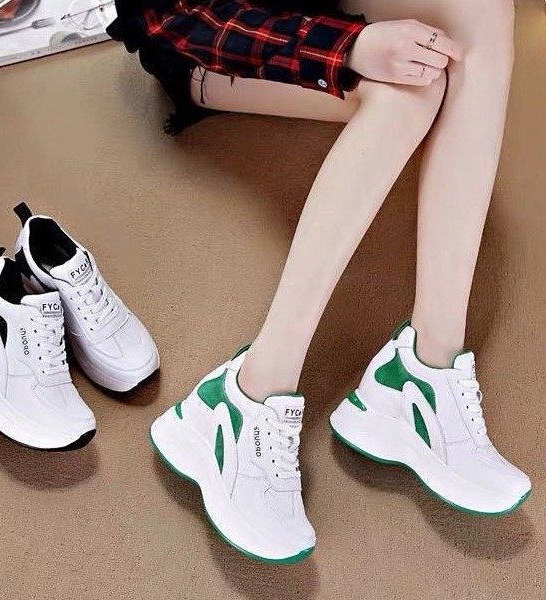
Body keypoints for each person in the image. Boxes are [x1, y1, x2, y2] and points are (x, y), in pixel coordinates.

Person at [110, 0, 531, 563]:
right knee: (411, 90)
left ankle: (426, 370)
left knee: (483, 11)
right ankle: (248, 393)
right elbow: (173, 17)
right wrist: (350, 47)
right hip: (212, 42)